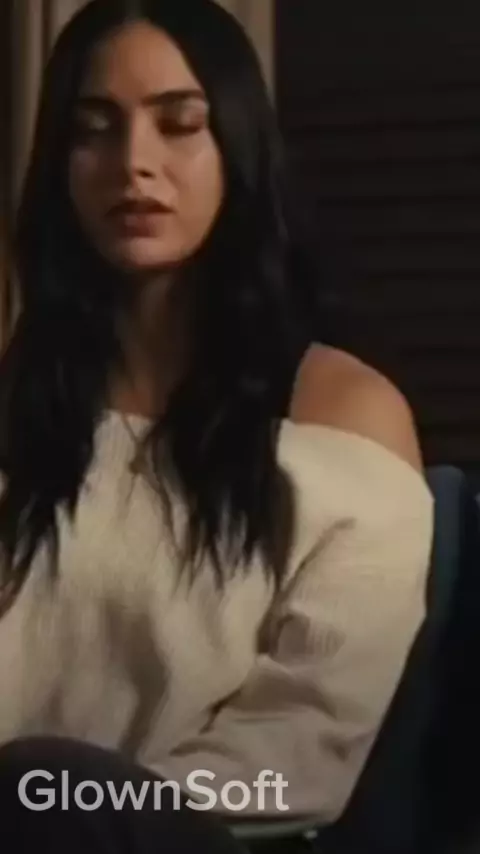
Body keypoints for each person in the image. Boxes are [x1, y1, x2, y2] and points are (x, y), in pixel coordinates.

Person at [0, 0, 433, 850]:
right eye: (94, 130)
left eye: (179, 124)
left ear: (236, 145)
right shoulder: (21, 401)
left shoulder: (345, 416)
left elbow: (299, 750)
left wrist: (78, 810)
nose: (134, 162)